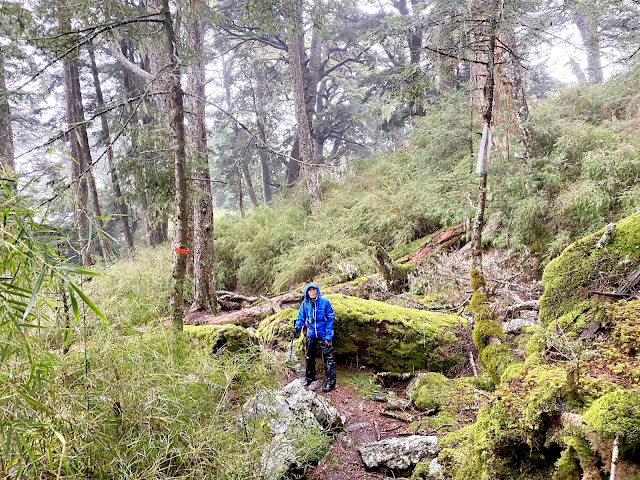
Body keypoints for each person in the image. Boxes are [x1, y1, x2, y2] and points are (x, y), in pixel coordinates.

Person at [293, 282, 336, 392]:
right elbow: (300, 317)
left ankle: (331, 381)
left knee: (328, 356)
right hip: (311, 333)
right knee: (309, 355)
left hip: (323, 333)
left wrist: (328, 335)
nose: (312, 292)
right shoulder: (305, 304)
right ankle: (309, 377)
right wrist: (297, 327)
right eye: (310, 290)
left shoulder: (324, 302)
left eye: (314, 290)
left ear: (317, 291)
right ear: (307, 292)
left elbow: (330, 318)